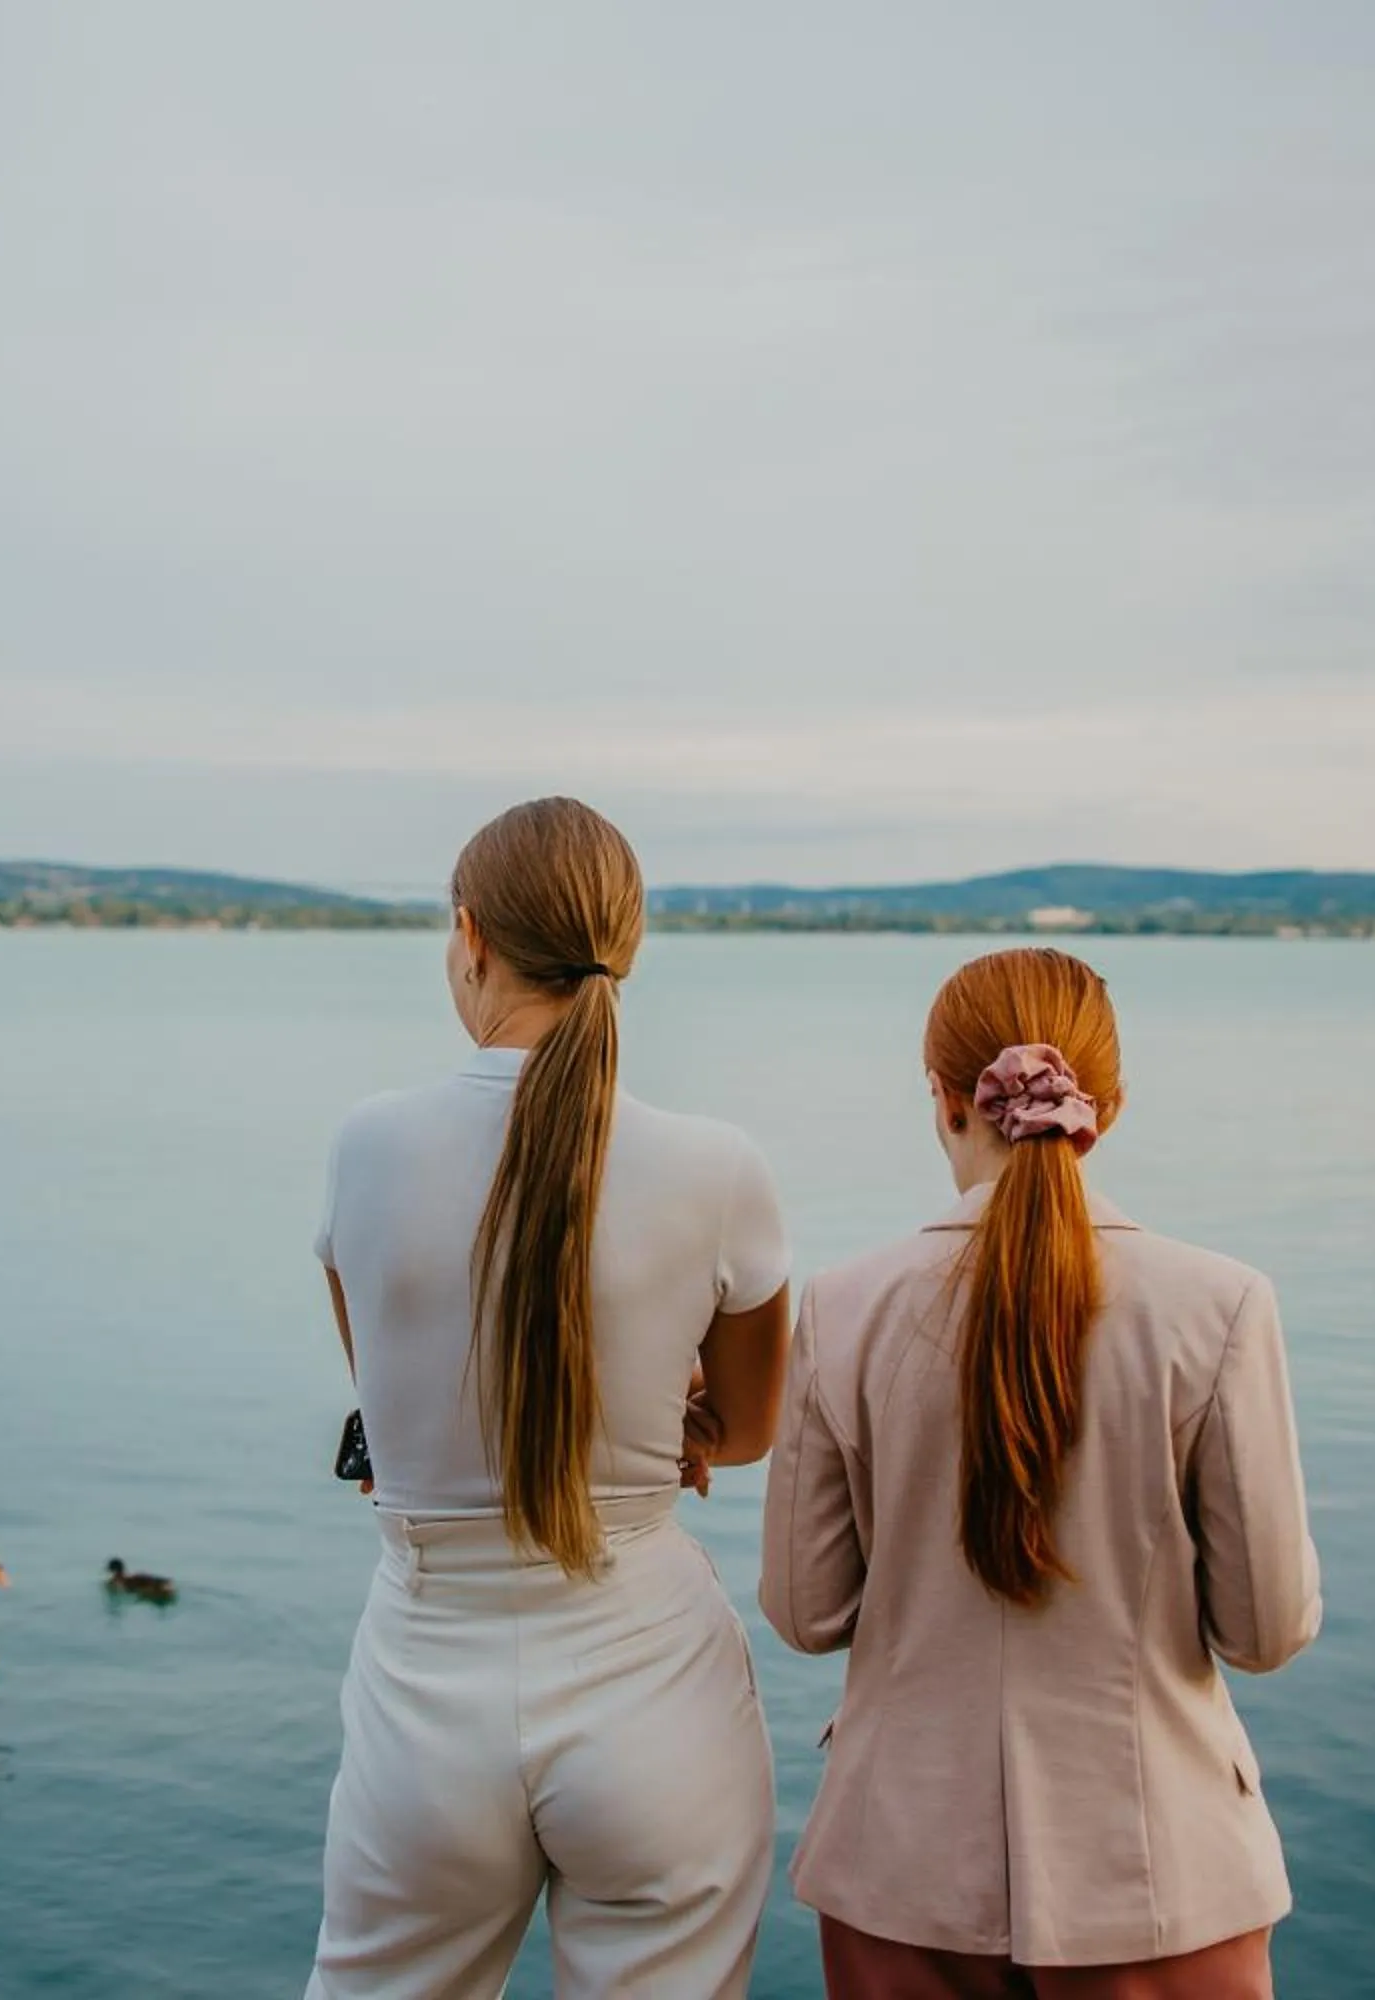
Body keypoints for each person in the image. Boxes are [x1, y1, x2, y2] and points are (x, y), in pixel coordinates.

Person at [761, 947, 1321, 2000]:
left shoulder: (844, 1305)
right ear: (1106, 1105)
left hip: (901, 1871)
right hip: (1157, 1872)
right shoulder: (1222, 1305)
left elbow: (805, 1609)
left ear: (942, 1099)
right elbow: (1266, 1629)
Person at [308, 797, 794, 2000]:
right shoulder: (719, 1166)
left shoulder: (368, 1145)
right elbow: (745, 1426)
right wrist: (665, 1406)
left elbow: (384, 1386)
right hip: (652, 1684)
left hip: (426, 1690)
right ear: (622, 948)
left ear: (469, 936)